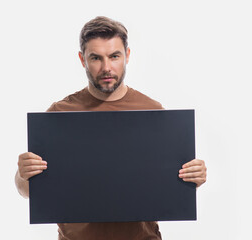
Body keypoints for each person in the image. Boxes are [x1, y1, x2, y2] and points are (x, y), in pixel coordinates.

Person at [15, 16, 207, 240]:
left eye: (114, 56)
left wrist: (195, 176)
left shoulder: (151, 112)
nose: (106, 68)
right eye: (96, 58)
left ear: (126, 55)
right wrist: (23, 174)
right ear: (82, 59)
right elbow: (27, 191)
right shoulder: (59, 114)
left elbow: (169, 186)